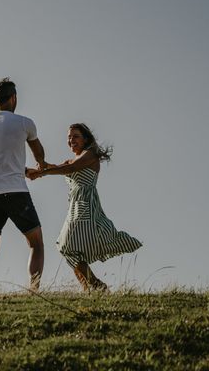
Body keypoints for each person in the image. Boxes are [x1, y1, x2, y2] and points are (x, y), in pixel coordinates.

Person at [28, 123, 142, 291]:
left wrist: (42, 172)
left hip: (85, 205)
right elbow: (55, 167)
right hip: (74, 207)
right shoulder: (72, 160)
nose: (71, 140)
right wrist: (34, 169)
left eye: (75, 136)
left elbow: (71, 168)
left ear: (85, 139)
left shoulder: (90, 155)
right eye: (69, 137)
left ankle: (97, 285)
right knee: (69, 249)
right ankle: (88, 288)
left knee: (67, 246)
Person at [0, 78, 47, 292]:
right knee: (36, 244)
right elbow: (39, 155)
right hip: (17, 192)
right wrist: (40, 167)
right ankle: (34, 290)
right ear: (14, 97)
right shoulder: (24, 123)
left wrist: (22, 170)